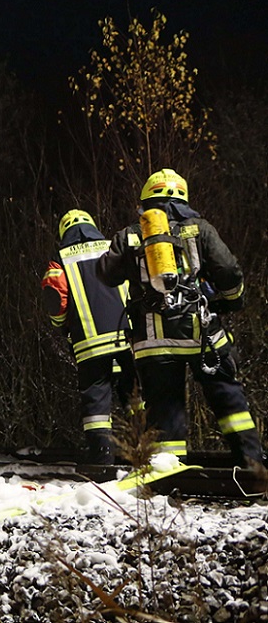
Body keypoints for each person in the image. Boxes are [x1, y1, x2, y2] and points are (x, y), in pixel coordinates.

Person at [97, 168, 265, 472]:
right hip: (202, 334)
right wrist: (231, 300)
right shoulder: (200, 229)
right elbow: (228, 270)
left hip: (154, 341)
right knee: (228, 396)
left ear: (146, 200)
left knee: (165, 409)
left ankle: (173, 474)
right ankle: (253, 464)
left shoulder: (132, 234)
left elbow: (106, 274)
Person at [42, 209, 137, 464]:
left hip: (89, 345)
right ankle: (146, 449)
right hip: (126, 338)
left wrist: (62, 327)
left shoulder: (59, 260)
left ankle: (102, 459)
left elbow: (55, 300)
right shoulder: (113, 248)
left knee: (96, 403)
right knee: (135, 394)